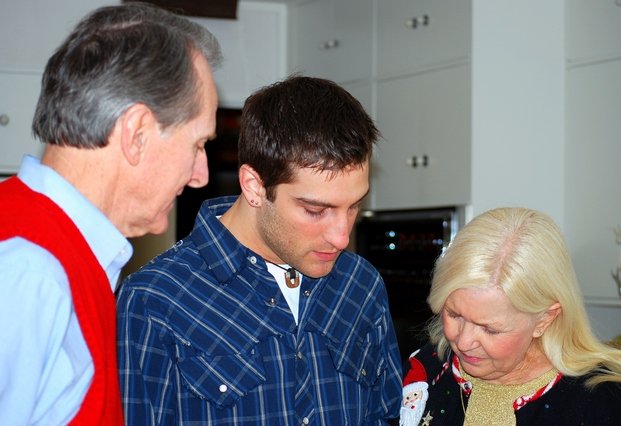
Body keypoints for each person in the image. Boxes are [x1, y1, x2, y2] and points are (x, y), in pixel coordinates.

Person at [116, 75, 403, 425]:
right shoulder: (154, 300)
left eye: (354, 205)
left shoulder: (361, 284)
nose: (342, 237)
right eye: (315, 210)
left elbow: (388, 416)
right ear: (254, 186)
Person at [0, 3, 222, 425]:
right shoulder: (29, 273)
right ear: (136, 134)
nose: (201, 176)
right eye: (197, 144)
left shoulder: (64, 256)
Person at [399, 207, 621, 426]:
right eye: (454, 315)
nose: (463, 342)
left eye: (489, 329)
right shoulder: (425, 370)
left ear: (545, 319)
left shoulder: (598, 400)